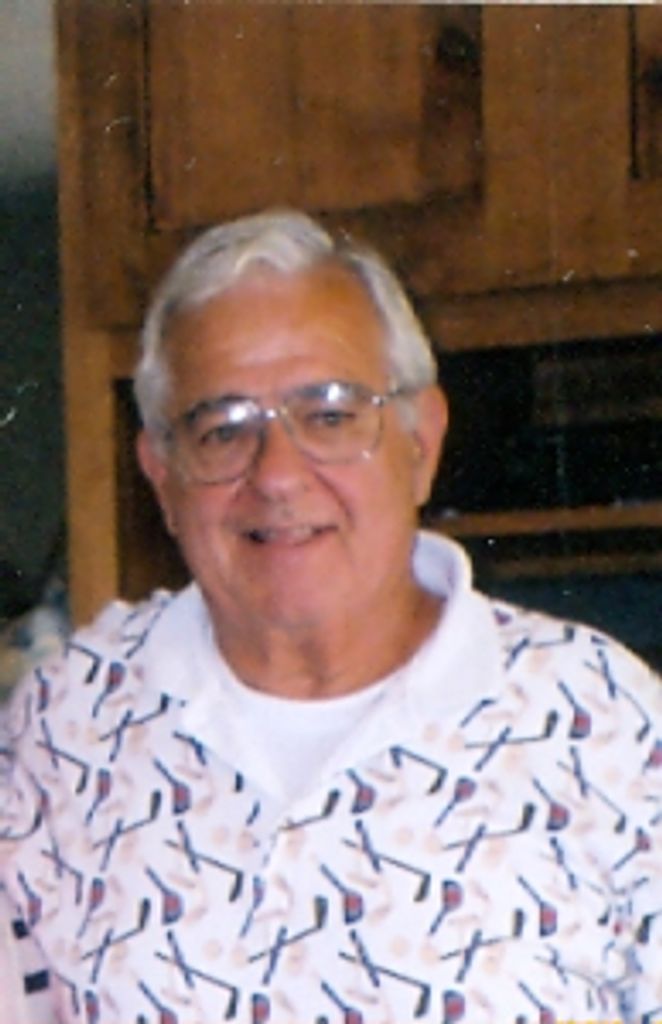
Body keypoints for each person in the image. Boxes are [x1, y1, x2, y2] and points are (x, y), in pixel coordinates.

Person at [1, 208, 661, 1023]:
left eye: (331, 415)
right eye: (222, 430)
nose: (278, 475)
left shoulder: (606, 723)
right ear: (161, 475)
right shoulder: (65, 725)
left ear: (421, 442)